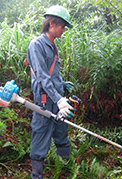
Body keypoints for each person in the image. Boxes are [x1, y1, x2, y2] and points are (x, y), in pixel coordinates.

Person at [27, 5, 74, 179]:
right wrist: (58, 99)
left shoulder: (53, 47)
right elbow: (41, 77)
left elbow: (52, 75)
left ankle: (66, 169)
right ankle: (36, 175)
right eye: (63, 26)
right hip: (46, 101)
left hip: (57, 99)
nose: (64, 30)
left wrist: (62, 84)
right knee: (41, 137)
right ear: (52, 23)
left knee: (62, 133)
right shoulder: (36, 45)